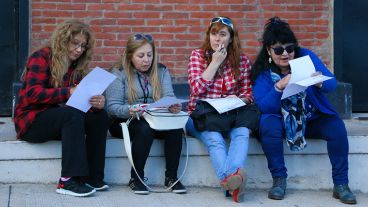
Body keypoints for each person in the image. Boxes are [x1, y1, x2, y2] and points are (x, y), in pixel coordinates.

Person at [251, 16, 357, 205]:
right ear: (269, 50)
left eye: (289, 48)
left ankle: (341, 185)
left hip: (311, 118)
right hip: (281, 122)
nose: (285, 54)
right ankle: (279, 180)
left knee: (336, 127)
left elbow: (331, 84)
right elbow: (264, 106)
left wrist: (319, 81)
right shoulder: (263, 72)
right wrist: (279, 87)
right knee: (268, 122)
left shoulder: (305, 57)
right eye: (278, 49)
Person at [14, 20, 109, 197]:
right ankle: (67, 181)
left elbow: (79, 101)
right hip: (32, 122)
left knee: (100, 117)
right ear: (63, 40)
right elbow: (32, 94)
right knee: (71, 115)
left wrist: (96, 104)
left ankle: (92, 177)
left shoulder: (76, 66)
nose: (79, 50)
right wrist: (68, 92)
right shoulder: (41, 57)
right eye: (75, 44)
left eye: (83, 46)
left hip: (60, 118)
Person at [105, 33, 186, 195]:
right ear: (130, 56)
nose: (146, 60)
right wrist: (130, 110)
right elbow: (112, 108)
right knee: (144, 129)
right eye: (140, 56)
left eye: (150, 55)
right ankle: (136, 178)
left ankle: (171, 177)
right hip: (124, 121)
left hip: (155, 118)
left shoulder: (161, 71)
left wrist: (172, 106)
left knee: (175, 129)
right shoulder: (118, 73)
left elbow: (169, 96)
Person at [185, 16, 253, 203]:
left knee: (242, 131)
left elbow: (248, 94)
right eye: (213, 34)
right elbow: (196, 90)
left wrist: (238, 99)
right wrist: (214, 63)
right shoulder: (197, 56)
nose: (217, 39)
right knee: (215, 140)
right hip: (200, 117)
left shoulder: (243, 61)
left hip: (230, 115)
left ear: (231, 38)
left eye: (222, 34)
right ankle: (234, 182)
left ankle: (231, 183)